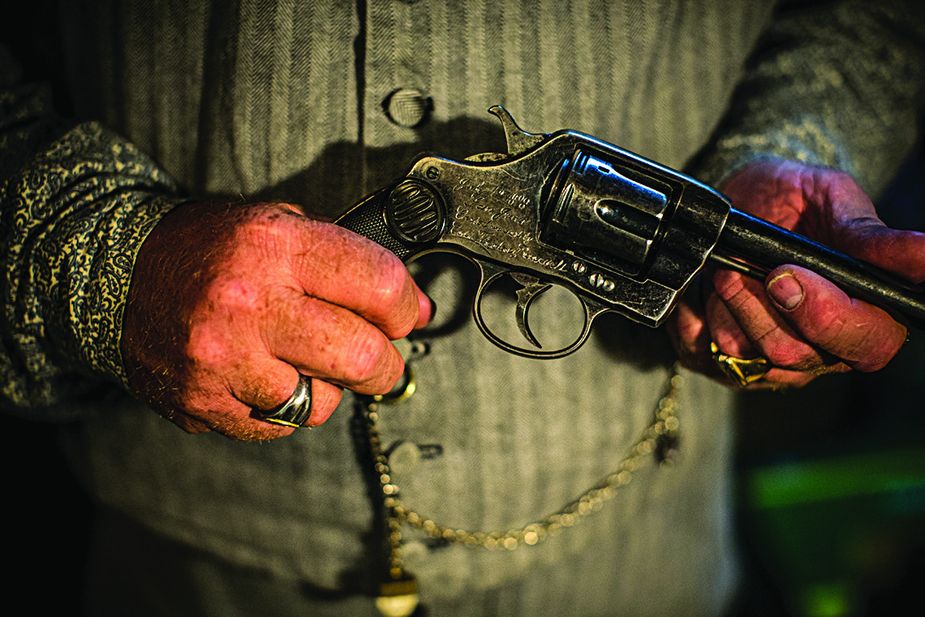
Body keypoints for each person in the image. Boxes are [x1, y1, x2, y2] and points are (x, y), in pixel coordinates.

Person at [2, 1, 923, 615]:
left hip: (636, 564)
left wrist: (797, 138)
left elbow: (872, 17)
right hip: (198, 567)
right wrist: (115, 260)